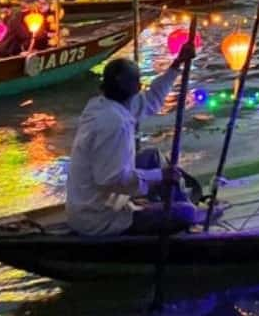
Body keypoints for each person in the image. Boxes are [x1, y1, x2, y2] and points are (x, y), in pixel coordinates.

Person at [66, 43, 200, 236]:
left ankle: (172, 203)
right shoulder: (114, 123)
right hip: (100, 216)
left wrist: (176, 64)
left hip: (103, 197)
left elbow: (152, 100)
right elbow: (110, 180)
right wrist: (160, 176)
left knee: (152, 157)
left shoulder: (104, 104)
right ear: (136, 87)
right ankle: (175, 209)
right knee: (187, 213)